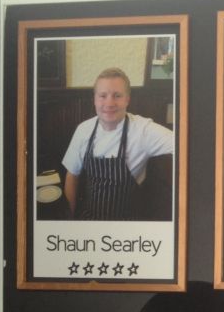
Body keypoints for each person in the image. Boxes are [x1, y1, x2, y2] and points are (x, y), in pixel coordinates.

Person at [61, 67, 174, 220]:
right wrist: (71, 220)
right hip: (89, 219)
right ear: (94, 99)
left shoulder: (143, 130)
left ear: (127, 99)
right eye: (102, 96)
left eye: (117, 95)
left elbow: (186, 144)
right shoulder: (83, 130)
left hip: (128, 223)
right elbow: (72, 176)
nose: (109, 103)